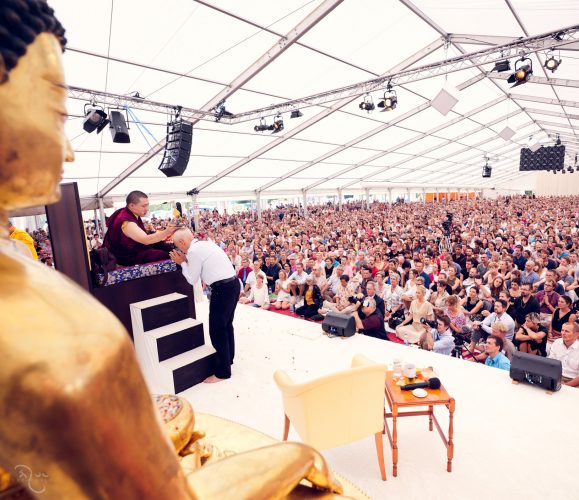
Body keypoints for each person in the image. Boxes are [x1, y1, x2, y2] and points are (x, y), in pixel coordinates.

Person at [0, 7, 340, 498]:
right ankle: (227, 371)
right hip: (205, 285)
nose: (69, 151)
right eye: (56, 114)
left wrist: (171, 245)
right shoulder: (65, 334)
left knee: (215, 333)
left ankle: (223, 367)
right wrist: (300, 456)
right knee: (223, 338)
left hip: (220, 287)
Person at [170, 228, 240, 382]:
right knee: (226, 325)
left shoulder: (194, 251)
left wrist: (182, 263)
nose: (178, 249)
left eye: (177, 245)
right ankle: (228, 359)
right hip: (233, 284)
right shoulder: (205, 244)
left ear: (182, 242)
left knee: (217, 330)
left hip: (222, 289)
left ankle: (223, 372)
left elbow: (191, 279)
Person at [103, 190, 176, 265]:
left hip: (132, 250)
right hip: (124, 256)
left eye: (147, 205)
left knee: (164, 247)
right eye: (143, 206)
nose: (147, 209)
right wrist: (167, 232)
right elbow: (145, 240)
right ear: (132, 206)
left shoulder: (128, 213)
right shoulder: (126, 222)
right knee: (166, 255)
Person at [548, 322, 579, 389]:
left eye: (567, 331)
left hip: (575, 381)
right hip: (557, 377)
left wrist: (563, 386)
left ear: (576, 334)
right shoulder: (556, 343)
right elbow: (551, 363)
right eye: (562, 330)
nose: (563, 333)